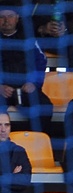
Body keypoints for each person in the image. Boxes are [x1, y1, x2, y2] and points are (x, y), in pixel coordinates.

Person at [0, 3, 52, 131]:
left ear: (17, 18)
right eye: (2, 17)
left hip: (26, 89)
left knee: (45, 108)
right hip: (2, 91)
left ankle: (32, 142)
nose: (6, 20)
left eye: (10, 16)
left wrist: (33, 83)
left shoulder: (28, 38)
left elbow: (41, 61)